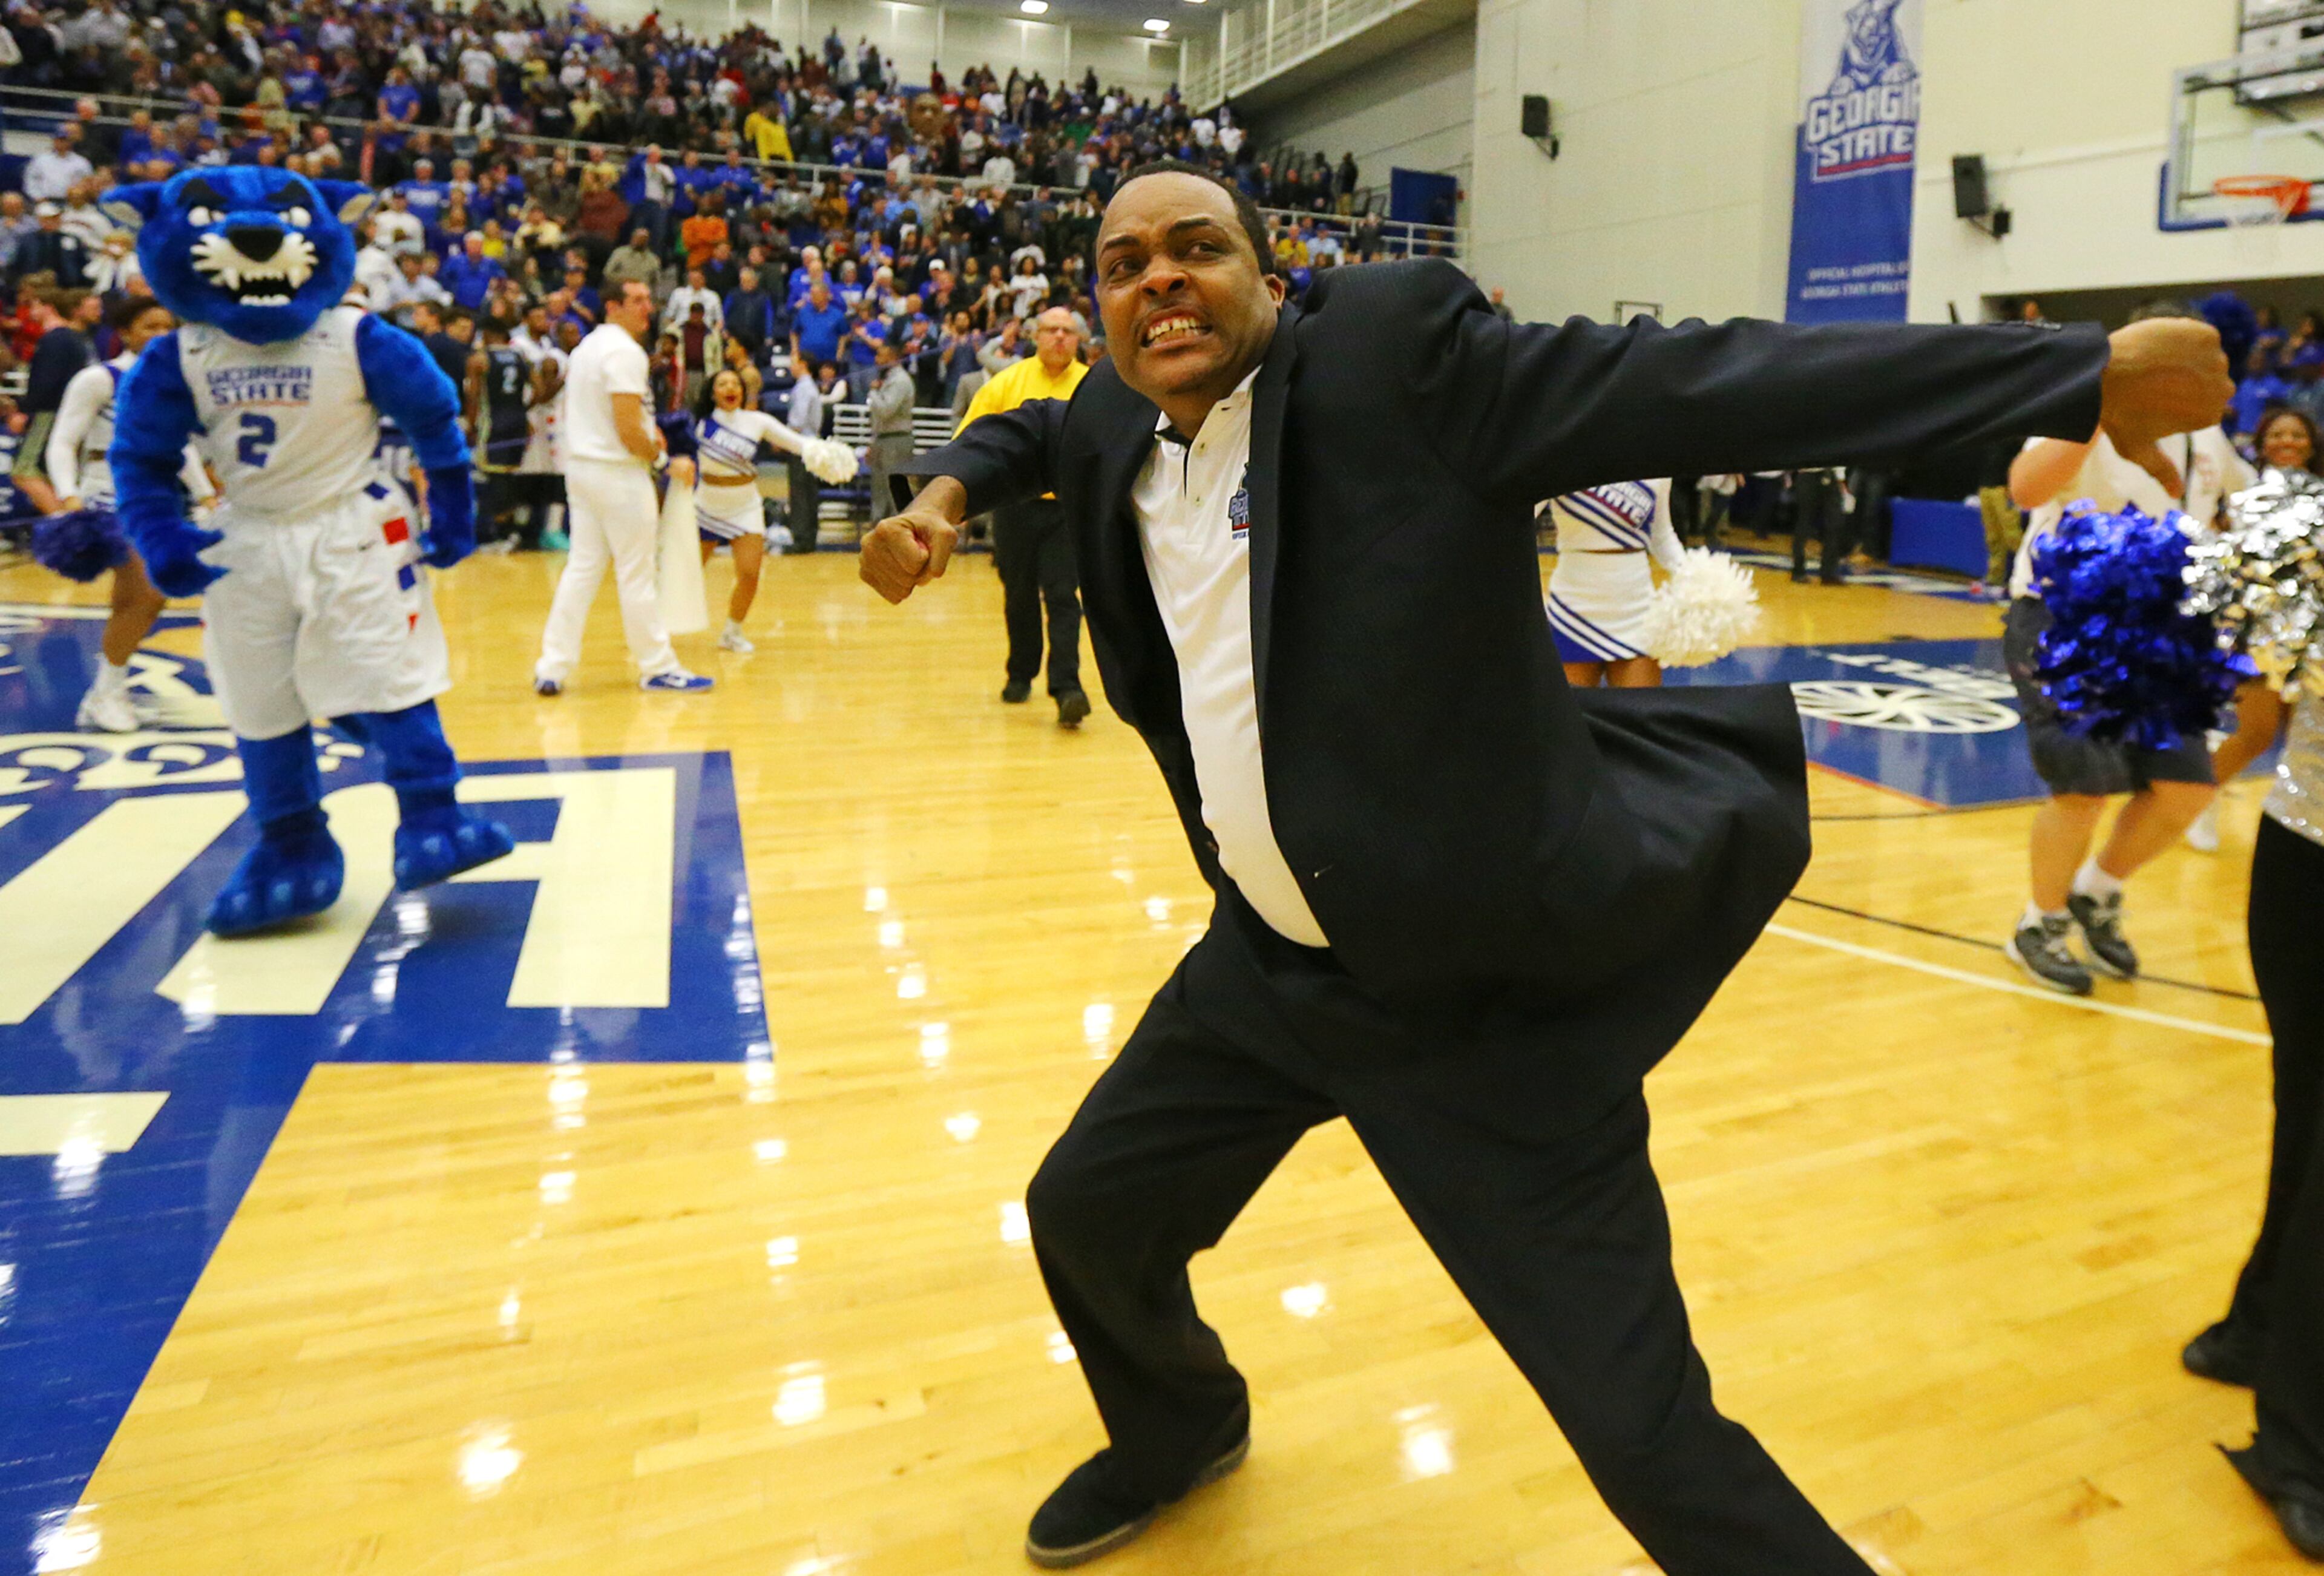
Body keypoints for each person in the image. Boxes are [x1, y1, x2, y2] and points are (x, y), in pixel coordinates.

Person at [861, 162, 2231, 1575]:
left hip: (1475, 1009)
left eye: (1195, 249)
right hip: (1262, 974)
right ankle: (1177, 1428)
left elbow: (1706, 383)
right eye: (1123, 260)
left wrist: (2065, 374)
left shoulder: (1401, 368)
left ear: (1269, 277)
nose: (1157, 279)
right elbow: (1033, 439)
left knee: (1640, 1433)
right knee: (1084, 1212)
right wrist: (951, 498)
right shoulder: (1114, 414)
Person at [2002, 304, 2256, 996]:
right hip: (2064, 616)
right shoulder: (2078, 410)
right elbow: (2025, 488)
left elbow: (2245, 505)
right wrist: (2098, 398)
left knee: (2184, 789)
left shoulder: (2207, 434)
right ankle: (2038, 922)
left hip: (2161, 629)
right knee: (2082, 787)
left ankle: (2097, 890)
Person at [2179, 695, 2324, 1562]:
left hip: (2298, 840)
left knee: (2310, 1105)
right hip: (2302, 843)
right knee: (2306, 1100)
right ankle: (2303, 1434)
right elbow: (2264, 691)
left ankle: (2264, 1336)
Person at [533, 280, 712, 695]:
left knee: (582, 570)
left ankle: (552, 667)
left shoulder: (586, 348)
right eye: (637, 301)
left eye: (650, 299)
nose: (647, 307)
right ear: (612, 306)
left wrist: (648, 436)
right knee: (637, 575)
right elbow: (628, 428)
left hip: (582, 471)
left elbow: (622, 420)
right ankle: (657, 666)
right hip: (618, 475)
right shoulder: (624, 352)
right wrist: (667, 461)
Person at [41, 295, 208, 732]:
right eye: (150, 326)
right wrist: (68, 497)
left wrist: (205, 494)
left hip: (156, 498)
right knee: (150, 593)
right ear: (127, 332)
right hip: (105, 495)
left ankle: (105, 692)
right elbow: (62, 441)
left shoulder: (170, 381)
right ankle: (108, 692)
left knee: (134, 603)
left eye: (167, 327)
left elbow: (181, 445)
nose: (161, 335)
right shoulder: (99, 378)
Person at [953, 305, 1089, 728]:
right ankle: (1020, 673)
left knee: (1065, 598)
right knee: (1019, 596)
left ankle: (1068, 688)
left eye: (1068, 331)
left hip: (1068, 510)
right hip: (1015, 507)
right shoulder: (1007, 383)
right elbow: (971, 440)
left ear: (1079, 339)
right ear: (1035, 335)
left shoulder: (1091, 386)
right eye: (1052, 330)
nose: (1061, 338)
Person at [2188, 405, 2316, 852]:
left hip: (2309, 635)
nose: (2287, 442)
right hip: (2256, 628)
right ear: (2261, 445)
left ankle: (2293, 827)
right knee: (2257, 731)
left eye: (2297, 435)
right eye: (2277, 435)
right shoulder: (2245, 488)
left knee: (2301, 736)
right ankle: (2199, 802)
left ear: (2312, 444)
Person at [691, 366, 819, 650]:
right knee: (687, 574)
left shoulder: (757, 421)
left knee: (749, 574)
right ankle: (656, 629)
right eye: (722, 383)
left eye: (735, 384)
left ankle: (732, 632)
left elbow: (799, 444)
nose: (730, 388)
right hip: (706, 505)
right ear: (713, 392)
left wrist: (828, 454)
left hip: (745, 505)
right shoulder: (700, 424)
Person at [1543, 478, 1684, 688]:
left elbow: (1661, 535)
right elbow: (1521, 515)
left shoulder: (1656, 461)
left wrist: (1697, 578)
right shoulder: (1563, 452)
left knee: (1640, 714)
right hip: (1573, 609)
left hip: (1637, 611)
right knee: (1568, 717)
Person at [865, 340, 916, 529]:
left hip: (897, 440)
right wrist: (873, 441)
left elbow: (886, 410)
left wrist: (873, 392)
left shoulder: (900, 380)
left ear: (893, 358)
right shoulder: (887, 380)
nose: (877, 359)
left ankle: (897, 530)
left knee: (894, 490)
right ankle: (878, 529)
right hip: (883, 439)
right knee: (879, 488)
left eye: (880, 355)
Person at [784, 360, 830, 555]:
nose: (790, 366)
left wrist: (782, 438)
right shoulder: (810, 387)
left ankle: (801, 538)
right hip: (812, 444)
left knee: (800, 492)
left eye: (794, 361)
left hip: (801, 445)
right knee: (809, 492)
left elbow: (798, 421)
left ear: (803, 364)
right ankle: (809, 536)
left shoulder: (804, 388)